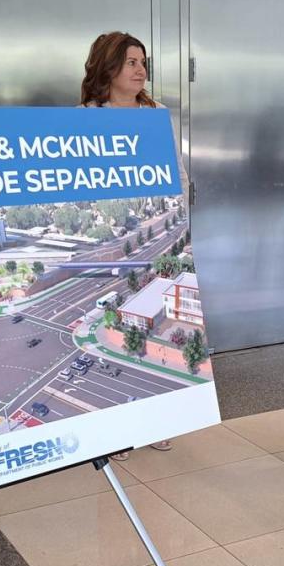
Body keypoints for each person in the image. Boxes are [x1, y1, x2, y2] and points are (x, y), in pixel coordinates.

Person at [80, 31, 184, 461]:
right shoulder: (86, 117)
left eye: (144, 62)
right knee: (116, 322)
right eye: (131, 63)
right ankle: (113, 428)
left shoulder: (157, 113)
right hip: (112, 237)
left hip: (153, 231)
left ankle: (155, 419)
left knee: (152, 320)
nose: (141, 70)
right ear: (109, 69)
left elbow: (172, 169)